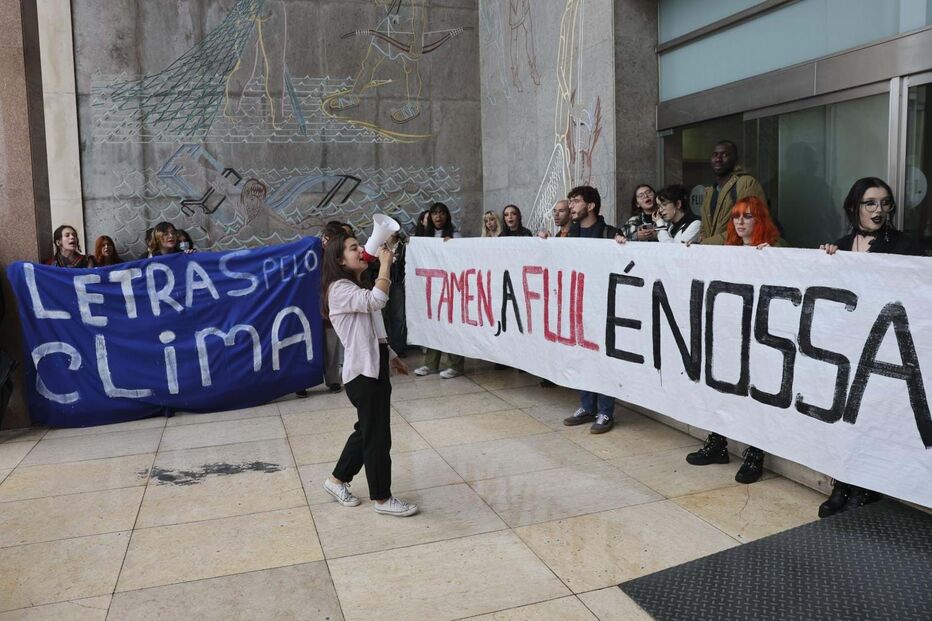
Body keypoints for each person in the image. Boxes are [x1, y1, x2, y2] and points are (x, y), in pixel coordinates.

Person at [817, 177, 919, 517]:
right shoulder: (841, 245)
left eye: (885, 203)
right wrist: (824, 262)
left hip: (884, 346)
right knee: (845, 415)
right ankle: (842, 482)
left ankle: (866, 486)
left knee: (872, 416)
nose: (879, 210)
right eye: (870, 203)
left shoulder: (903, 245)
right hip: (848, 346)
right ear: (854, 207)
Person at [685, 196, 785, 484]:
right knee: (722, 386)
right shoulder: (726, 250)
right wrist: (692, 254)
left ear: (760, 219)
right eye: (736, 217)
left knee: (756, 392)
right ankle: (718, 443)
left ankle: (755, 455)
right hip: (729, 331)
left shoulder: (774, 250)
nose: (740, 222)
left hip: (760, 336)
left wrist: (773, 260)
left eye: (748, 216)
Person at [321, 232, 418, 517]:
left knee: (366, 430)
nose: (361, 250)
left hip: (373, 370)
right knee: (377, 437)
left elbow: (374, 333)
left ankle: (336, 480)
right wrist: (385, 264)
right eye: (354, 249)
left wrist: (393, 356)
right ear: (340, 259)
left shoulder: (354, 285)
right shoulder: (339, 289)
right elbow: (377, 300)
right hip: (363, 375)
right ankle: (382, 499)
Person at [562, 186, 618, 433]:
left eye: (575, 201)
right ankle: (587, 405)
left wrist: (623, 245)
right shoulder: (568, 235)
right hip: (578, 304)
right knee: (583, 355)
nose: (571, 206)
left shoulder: (609, 234)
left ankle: (605, 411)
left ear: (591, 206)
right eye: (571, 201)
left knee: (603, 358)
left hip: (602, 305)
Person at [415, 202, 464, 378]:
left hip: (451, 288)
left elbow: (463, 258)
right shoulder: (423, 237)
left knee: (452, 326)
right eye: (434, 213)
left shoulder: (455, 235)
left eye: (441, 213)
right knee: (432, 326)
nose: (438, 216)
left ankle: (455, 365)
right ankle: (431, 364)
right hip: (431, 289)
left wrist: (454, 246)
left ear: (447, 215)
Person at [699, 140, 767, 245]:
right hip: (712, 255)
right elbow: (704, 227)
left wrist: (706, 244)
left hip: (737, 253)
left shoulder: (746, 183)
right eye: (715, 155)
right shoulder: (710, 191)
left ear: (735, 160)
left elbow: (752, 224)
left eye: (725, 155)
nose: (718, 159)